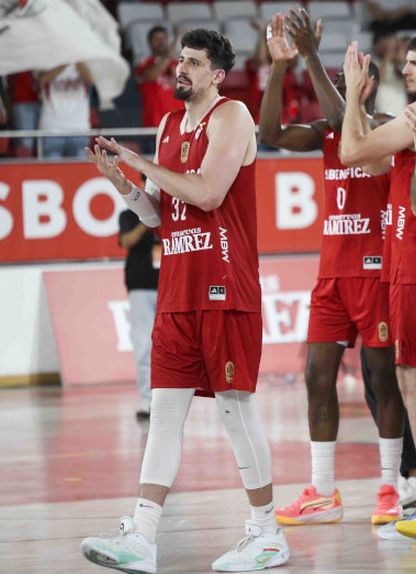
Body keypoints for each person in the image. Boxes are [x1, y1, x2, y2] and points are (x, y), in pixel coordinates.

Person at [78, 29, 289, 572]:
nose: (182, 69)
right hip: (177, 286)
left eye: (194, 63)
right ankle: (143, 535)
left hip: (223, 285)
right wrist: (121, 179)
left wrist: (136, 159)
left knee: (234, 409)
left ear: (217, 74)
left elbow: (206, 193)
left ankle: (267, 532)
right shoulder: (170, 124)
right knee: (165, 414)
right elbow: (157, 213)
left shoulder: (232, 116)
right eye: (180, 60)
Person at [256, 9, 405, 527]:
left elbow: (349, 124)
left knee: (384, 382)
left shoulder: (387, 129)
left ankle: (391, 486)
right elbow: (269, 130)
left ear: (371, 85)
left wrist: (313, 57)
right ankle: (323, 491)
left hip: (376, 273)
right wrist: (282, 66)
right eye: (335, 80)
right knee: (317, 378)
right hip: (332, 276)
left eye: (347, 79)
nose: (337, 87)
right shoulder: (324, 130)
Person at [338, 33, 416, 540]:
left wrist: (353, 95)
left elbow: (351, 151)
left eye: (414, 63)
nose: (404, 69)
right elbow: (370, 160)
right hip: (406, 260)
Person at [118, 206, 159, 419]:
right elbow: (126, 241)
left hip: (169, 285)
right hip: (140, 286)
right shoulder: (129, 215)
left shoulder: (172, 211)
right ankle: (146, 398)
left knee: (172, 346)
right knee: (144, 343)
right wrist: (148, 219)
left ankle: (168, 399)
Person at [39, 63, 93, 158]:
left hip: (79, 129)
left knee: (80, 171)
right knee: (51, 171)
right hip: (52, 129)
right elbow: (41, 81)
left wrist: (75, 58)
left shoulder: (83, 64)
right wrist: (64, 61)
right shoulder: (48, 63)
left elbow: (91, 80)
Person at [136, 26, 182, 130]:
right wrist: (169, 56)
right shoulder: (144, 64)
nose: (161, 42)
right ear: (149, 42)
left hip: (178, 128)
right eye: (157, 39)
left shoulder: (177, 64)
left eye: (163, 39)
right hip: (155, 127)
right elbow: (151, 75)